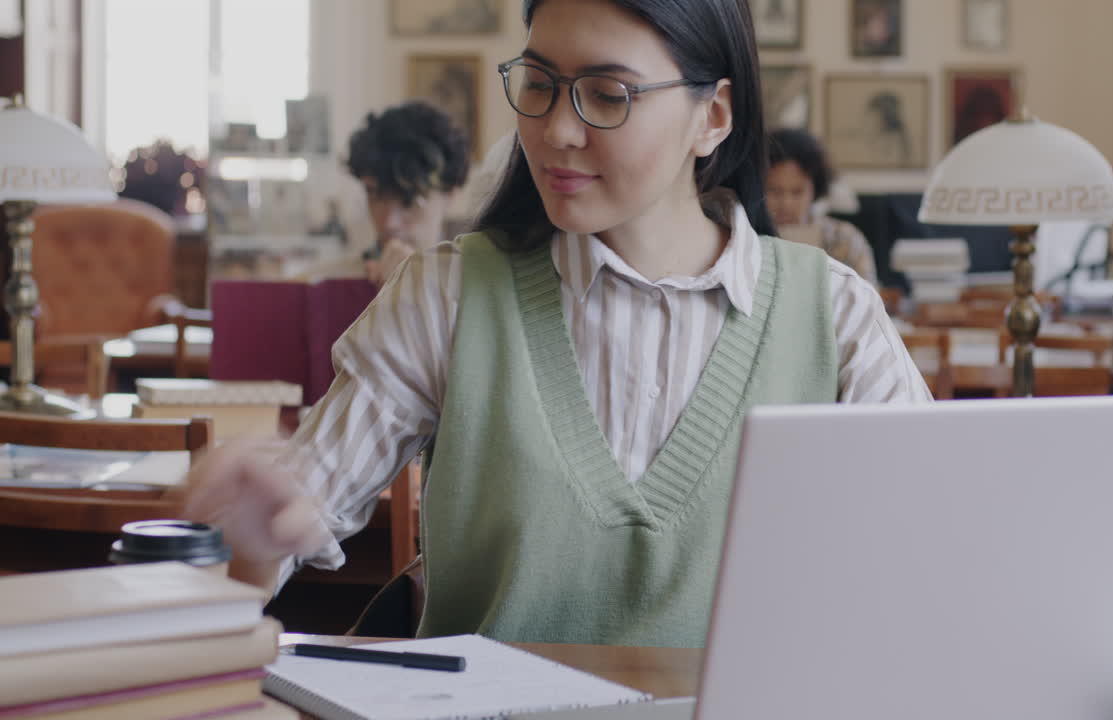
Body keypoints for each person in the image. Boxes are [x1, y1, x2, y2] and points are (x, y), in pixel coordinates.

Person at [182, 0, 930, 648]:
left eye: (607, 95)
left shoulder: (834, 316)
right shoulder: (448, 295)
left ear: (714, 116)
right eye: (539, 85)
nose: (556, 131)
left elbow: (935, 568)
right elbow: (280, 533)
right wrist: (248, 530)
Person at [347, 100, 470, 285]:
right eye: (375, 195)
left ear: (449, 195)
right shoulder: (328, 284)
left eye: (409, 200)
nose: (389, 223)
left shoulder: (474, 288)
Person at [766, 127, 879, 285]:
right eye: (775, 191)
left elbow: (869, 299)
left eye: (797, 192)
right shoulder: (747, 237)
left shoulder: (845, 239)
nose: (786, 203)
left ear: (815, 188)